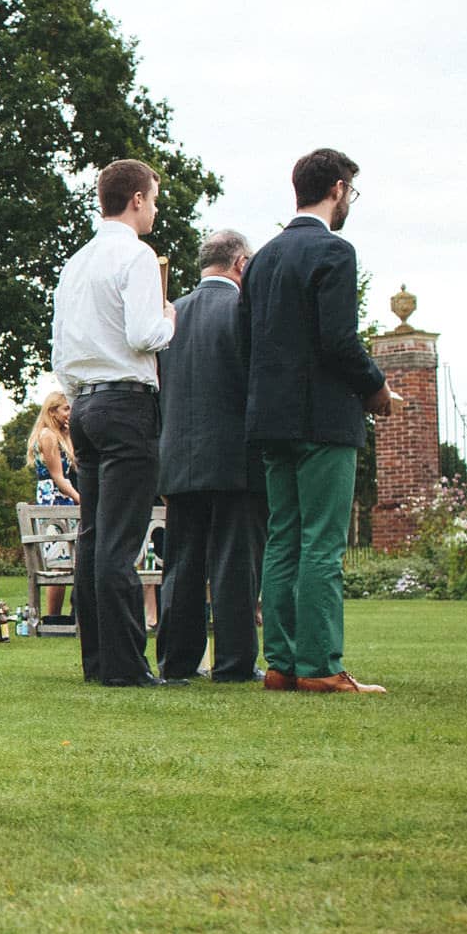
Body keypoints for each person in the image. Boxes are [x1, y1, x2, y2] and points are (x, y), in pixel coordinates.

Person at [241, 148, 399, 694]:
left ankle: (282, 663)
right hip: (323, 421)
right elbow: (338, 340)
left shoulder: (260, 259)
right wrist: (375, 386)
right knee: (323, 543)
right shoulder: (335, 251)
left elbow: (247, 345)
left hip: (269, 420)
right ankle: (321, 667)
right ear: (337, 189)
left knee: (283, 538)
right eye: (350, 191)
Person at [50, 159, 178, 687]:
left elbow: (61, 353)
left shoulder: (74, 264)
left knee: (93, 535)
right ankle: (127, 668)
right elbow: (146, 333)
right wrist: (171, 318)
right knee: (121, 541)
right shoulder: (138, 256)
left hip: (84, 406)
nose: (154, 207)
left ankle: (98, 660)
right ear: (137, 199)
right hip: (126, 403)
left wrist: (80, 396)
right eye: (153, 197)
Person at [155, 231, 264, 682]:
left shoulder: (169, 314)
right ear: (241, 263)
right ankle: (235, 663)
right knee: (235, 562)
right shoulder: (244, 309)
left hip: (178, 456)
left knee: (181, 563)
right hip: (234, 456)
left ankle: (177, 662)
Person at [27, 391, 80, 621]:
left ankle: (64, 615)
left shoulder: (61, 435)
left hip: (64, 494)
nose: (70, 413)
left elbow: (75, 464)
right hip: (54, 497)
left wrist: (69, 435)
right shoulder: (47, 435)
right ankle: (53, 615)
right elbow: (58, 476)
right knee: (58, 559)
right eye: (65, 409)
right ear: (52, 411)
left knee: (69, 557)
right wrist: (81, 499)